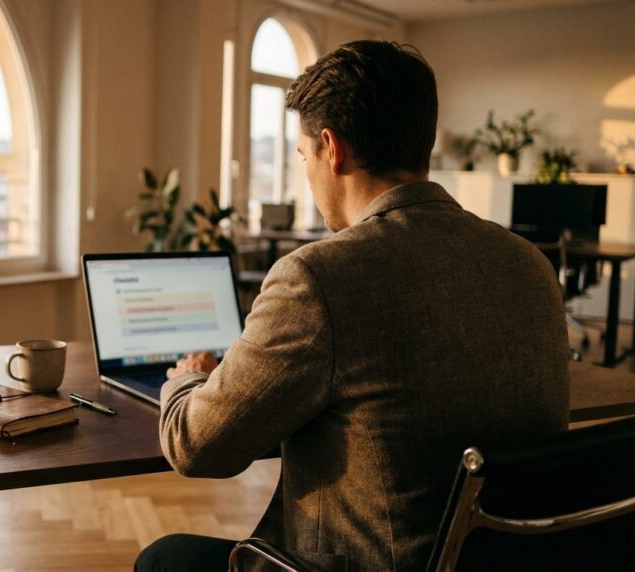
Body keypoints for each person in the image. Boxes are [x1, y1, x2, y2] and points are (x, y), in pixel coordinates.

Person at [134, 40, 569, 571]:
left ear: (331, 148)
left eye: (302, 157)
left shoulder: (317, 278)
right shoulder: (530, 265)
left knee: (165, 558)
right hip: (510, 560)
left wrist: (188, 379)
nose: (306, 172)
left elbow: (196, 446)